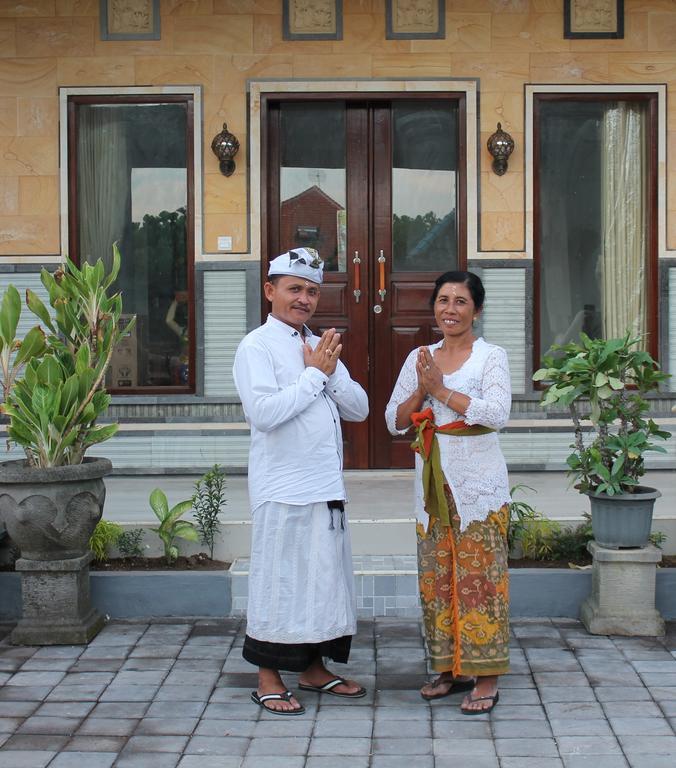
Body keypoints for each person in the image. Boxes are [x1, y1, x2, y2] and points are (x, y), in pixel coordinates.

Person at [233, 247, 369, 716]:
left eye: (312, 290)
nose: (304, 299)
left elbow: (359, 409)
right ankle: (268, 677)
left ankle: (313, 670)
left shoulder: (318, 344)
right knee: (279, 582)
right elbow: (265, 414)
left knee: (321, 582)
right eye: (295, 289)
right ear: (270, 290)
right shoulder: (257, 346)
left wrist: (325, 373)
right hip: (283, 487)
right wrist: (315, 375)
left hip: (324, 488)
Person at [385, 270, 511, 715]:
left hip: (478, 485)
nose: (450, 310)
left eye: (460, 301)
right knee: (437, 578)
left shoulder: (491, 357)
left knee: (481, 580)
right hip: (432, 484)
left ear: (476, 310)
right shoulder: (420, 357)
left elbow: (496, 413)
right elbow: (394, 420)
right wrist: (423, 387)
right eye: (443, 300)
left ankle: (486, 676)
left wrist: (442, 390)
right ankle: (448, 669)